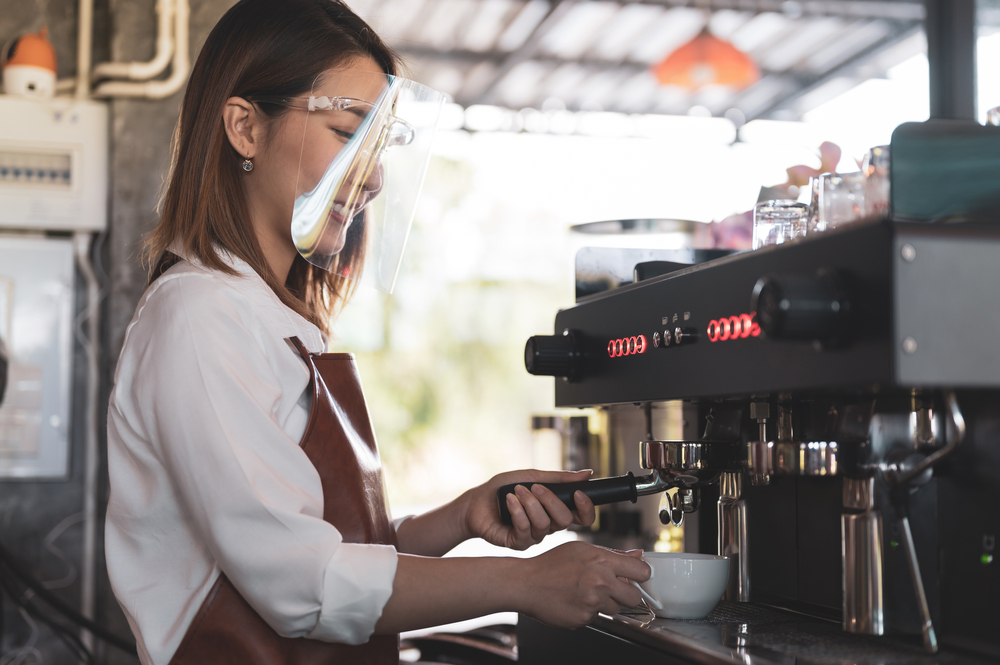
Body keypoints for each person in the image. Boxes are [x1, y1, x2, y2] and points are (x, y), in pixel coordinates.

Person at [104, 1, 650, 664]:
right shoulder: (197, 316)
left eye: (380, 144)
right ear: (245, 128)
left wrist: (459, 517)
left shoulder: (267, 317)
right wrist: (525, 581)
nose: (376, 176)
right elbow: (301, 583)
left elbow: (321, 548)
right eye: (345, 131)